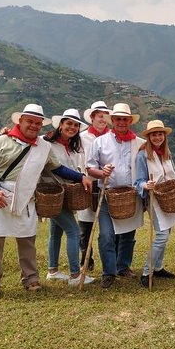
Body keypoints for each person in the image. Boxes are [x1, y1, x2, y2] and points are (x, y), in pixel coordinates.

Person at [0, 104, 92, 301]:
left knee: (27, 241)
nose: (33, 126)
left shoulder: (43, 147)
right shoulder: (1, 141)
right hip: (1, 196)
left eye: (37, 123)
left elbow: (57, 169)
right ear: (20, 121)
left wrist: (80, 177)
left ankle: (31, 279)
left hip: (26, 197)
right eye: (29, 121)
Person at [86, 103, 145, 289]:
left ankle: (123, 266)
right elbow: (89, 167)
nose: (121, 122)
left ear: (130, 121)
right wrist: (102, 172)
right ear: (113, 121)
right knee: (106, 235)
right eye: (118, 119)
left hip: (131, 194)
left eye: (124, 119)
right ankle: (108, 272)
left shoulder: (139, 143)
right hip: (107, 194)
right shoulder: (100, 142)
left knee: (128, 234)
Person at [41, 109, 95, 287]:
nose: (72, 127)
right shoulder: (46, 143)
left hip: (64, 195)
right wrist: (81, 177)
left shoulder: (70, 147)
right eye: (69, 123)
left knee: (55, 232)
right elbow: (57, 169)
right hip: (52, 194)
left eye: (76, 125)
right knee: (74, 231)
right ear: (60, 124)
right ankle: (74, 275)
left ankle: (53, 270)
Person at [134, 120, 175, 287]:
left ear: (164, 136)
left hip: (169, 198)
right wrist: (145, 185)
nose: (157, 137)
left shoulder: (166, 153)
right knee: (162, 236)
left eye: (160, 134)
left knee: (167, 233)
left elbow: (173, 174)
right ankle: (147, 272)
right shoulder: (142, 156)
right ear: (148, 137)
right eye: (154, 134)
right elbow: (138, 181)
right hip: (154, 199)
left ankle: (158, 267)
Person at [77, 100, 111, 271]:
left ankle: (111, 262)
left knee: (107, 226)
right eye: (99, 116)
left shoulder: (112, 137)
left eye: (105, 117)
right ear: (92, 117)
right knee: (85, 225)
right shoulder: (82, 137)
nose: (103, 120)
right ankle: (86, 260)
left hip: (107, 185)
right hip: (87, 183)